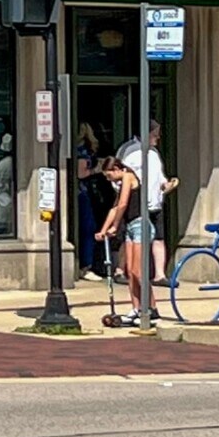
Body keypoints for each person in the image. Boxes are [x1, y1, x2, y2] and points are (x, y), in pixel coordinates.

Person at [117, 122, 178, 286]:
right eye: (155, 133)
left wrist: (166, 184)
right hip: (136, 203)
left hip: (155, 202)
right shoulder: (129, 150)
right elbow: (118, 175)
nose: (158, 137)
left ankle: (160, 274)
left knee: (158, 237)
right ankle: (121, 269)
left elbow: (159, 176)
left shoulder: (154, 153)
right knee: (130, 237)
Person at [95, 156, 148, 326]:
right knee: (131, 272)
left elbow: (124, 203)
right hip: (131, 226)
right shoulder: (120, 183)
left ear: (117, 169)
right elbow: (115, 207)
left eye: (109, 176)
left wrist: (115, 226)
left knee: (138, 272)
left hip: (140, 224)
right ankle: (136, 308)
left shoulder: (128, 177)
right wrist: (103, 230)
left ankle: (149, 308)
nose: (110, 180)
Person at [75, 124, 112, 278]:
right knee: (89, 227)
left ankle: (88, 264)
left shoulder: (83, 149)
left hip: (86, 192)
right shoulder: (82, 150)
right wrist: (97, 169)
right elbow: (81, 173)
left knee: (89, 227)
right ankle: (86, 265)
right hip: (83, 192)